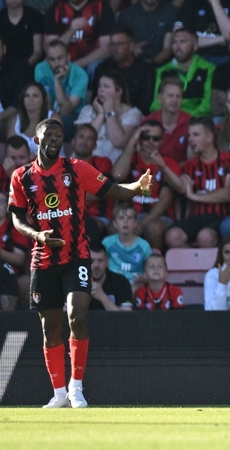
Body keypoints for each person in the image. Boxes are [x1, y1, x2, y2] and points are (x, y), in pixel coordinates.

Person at [8, 117, 153, 408]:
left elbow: (114, 190)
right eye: (48, 134)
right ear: (37, 140)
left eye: (58, 135)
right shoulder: (21, 177)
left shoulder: (76, 169)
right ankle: (59, 392)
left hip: (76, 255)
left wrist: (138, 186)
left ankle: (76, 388)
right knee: (51, 326)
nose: (53, 139)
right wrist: (37, 234)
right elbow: (16, 217)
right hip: (42, 259)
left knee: (77, 314)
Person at [162, 117, 230, 249]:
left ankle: (212, 268)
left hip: (222, 217)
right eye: (189, 135)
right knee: (173, 236)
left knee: (205, 237)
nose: (190, 139)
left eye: (196, 135)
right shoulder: (189, 166)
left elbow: (228, 193)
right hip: (196, 218)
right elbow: (181, 188)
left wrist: (194, 196)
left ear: (209, 137)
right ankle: (196, 265)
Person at [111, 121, 180, 252]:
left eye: (155, 139)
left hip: (159, 217)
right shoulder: (130, 159)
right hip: (130, 215)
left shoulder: (168, 163)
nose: (150, 142)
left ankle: (155, 263)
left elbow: (165, 200)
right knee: (114, 228)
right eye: (145, 138)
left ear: (162, 141)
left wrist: (142, 224)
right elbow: (118, 175)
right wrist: (132, 141)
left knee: (153, 228)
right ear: (139, 139)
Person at [75, 71, 143, 163]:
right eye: (99, 86)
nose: (101, 90)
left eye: (106, 86)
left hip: (112, 162)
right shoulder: (88, 110)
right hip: (85, 159)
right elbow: (83, 139)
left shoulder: (132, 114)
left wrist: (110, 113)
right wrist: (100, 114)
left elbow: (119, 142)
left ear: (119, 91)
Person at [150, 27, 216, 118]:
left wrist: (186, 119)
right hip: (169, 121)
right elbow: (156, 104)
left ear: (195, 46)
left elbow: (206, 106)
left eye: (183, 41)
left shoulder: (209, 69)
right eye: (174, 42)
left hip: (196, 121)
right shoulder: (163, 71)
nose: (177, 46)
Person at [91, 27, 156, 116]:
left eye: (120, 44)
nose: (115, 48)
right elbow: (95, 99)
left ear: (132, 46)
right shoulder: (103, 68)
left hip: (135, 118)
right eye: (112, 44)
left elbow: (145, 106)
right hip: (104, 115)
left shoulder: (146, 70)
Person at [34, 41, 86, 138]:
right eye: (52, 59)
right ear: (47, 60)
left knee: (61, 122)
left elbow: (65, 111)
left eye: (60, 58)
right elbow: (46, 101)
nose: (57, 63)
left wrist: (57, 81)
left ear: (68, 57)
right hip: (51, 114)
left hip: (73, 117)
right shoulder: (40, 69)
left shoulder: (80, 74)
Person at [43, 0, 115, 69]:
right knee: (43, 66)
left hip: (92, 61)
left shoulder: (101, 6)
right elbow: (50, 49)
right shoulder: (56, 7)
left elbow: (107, 48)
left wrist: (75, 65)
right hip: (61, 62)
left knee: (95, 67)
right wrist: (71, 30)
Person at [173, 0, 230, 64]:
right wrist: (219, 39)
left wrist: (215, 3)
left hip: (226, 56)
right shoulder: (191, 2)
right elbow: (179, 38)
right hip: (196, 55)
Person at [141, 78, 191, 163]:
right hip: (153, 170)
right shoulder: (147, 122)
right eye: (170, 96)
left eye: (178, 96)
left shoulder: (190, 122)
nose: (175, 100)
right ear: (159, 98)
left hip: (182, 172)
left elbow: (194, 159)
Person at [102, 202, 152, 284]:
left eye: (129, 218)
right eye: (121, 218)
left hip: (135, 284)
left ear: (136, 223)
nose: (125, 221)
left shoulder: (144, 246)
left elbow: (149, 270)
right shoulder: (107, 242)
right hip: (113, 283)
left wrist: (143, 278)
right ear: (115, 223)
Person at [116, 0, 178, 65]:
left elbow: (168, 49)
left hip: (164, 67)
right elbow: (121, 46)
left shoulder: (171, 12)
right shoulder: (126, 15)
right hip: (133, 65)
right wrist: (132, 48)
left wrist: (151, 62)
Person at [6, 82, 61, 155]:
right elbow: (10, 151)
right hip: (22, 164)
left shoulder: (53, 119)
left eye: (35, 96)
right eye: (27, 95)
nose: (30, 99)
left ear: (43, 99)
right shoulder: (15, 120)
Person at [88, 242, 134, 311]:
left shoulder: (121, 282)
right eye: (92, 261)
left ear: (107, 263)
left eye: (100, 261)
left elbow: (126, 318)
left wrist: (103, 297)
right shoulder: (77, 282)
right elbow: (66, 313)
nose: (96, 265)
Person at [0, 0, 44, 68]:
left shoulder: (35, 16)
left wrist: (23, 66)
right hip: (4, 68)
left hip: (30, 67)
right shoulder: (1, 18)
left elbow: (38, 51)